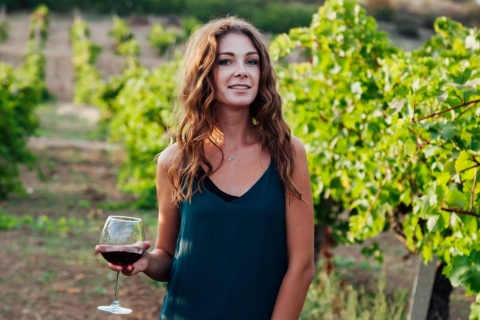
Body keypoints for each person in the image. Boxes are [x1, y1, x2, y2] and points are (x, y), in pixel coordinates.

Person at [97, 16, 315, 319]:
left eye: (251, 62)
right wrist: (147, 262)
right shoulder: (174, 161)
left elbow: (302, 266)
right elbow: (168, 258)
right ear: (205, 74)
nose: (241, 71)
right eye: (226, 61)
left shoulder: (288, 153)